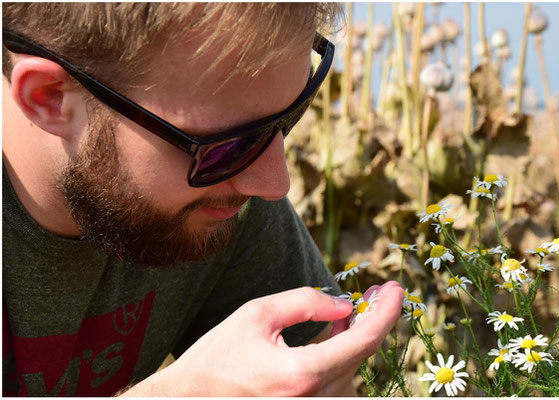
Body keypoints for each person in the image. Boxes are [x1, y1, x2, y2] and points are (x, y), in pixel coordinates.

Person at [2, 3, 404, 396]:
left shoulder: (222, 203)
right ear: (49, 97)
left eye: (290, 116)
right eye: (227, 147)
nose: (273, 184)